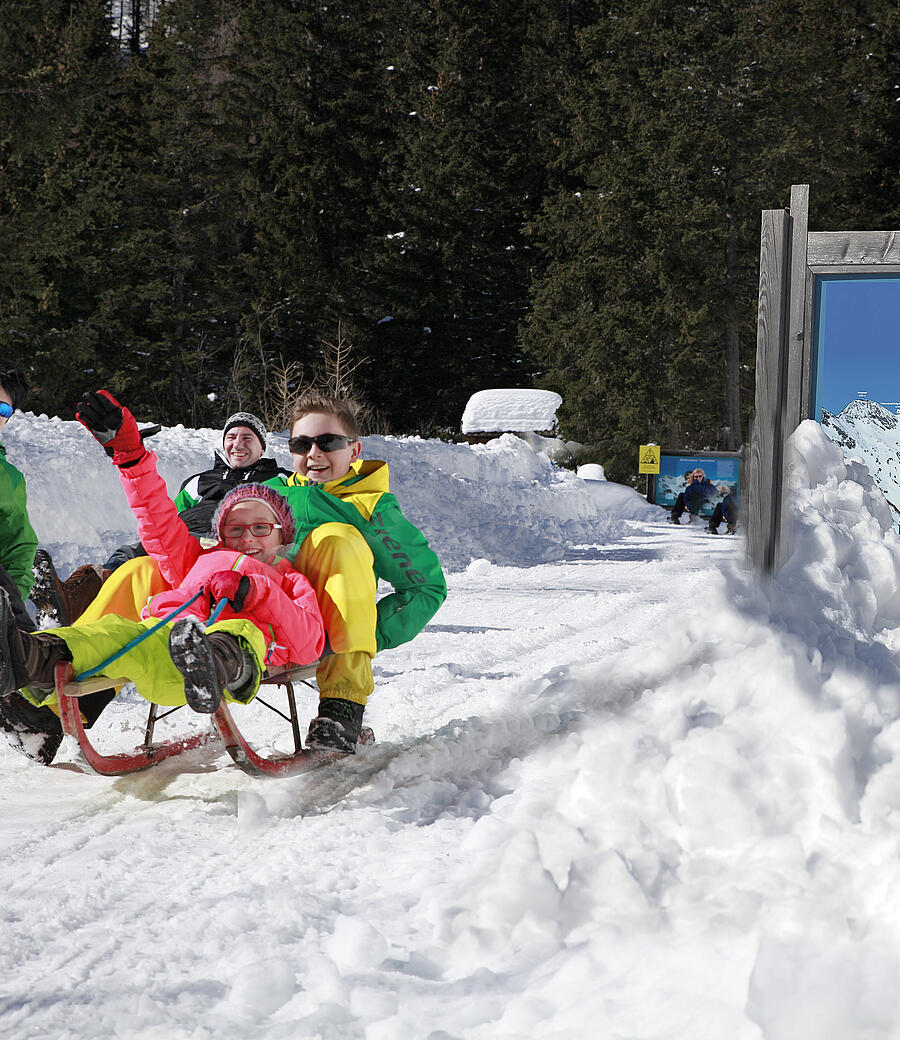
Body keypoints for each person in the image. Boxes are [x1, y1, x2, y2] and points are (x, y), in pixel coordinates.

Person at [0, 391, 325, 764]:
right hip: (166, 638)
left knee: (239, 631)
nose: (247, 538)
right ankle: (27, 658)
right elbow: (157, 519)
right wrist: (130, 456)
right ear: (219, 536)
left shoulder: (287, 580)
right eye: (234, 530)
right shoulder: (197, 558)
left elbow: (308, 642)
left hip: (234, 652)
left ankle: (210, 663)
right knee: (113, 634)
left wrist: (255, 591)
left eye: (260, 527)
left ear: (282, 536)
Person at [264, 391, 447, 753]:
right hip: (258, 625)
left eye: (327, 442)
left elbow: (426, 586)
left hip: (325, 637)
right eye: (301, 443)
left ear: (354, 450)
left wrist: (362, 632)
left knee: (338, 539)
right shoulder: (268, 494)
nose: (313, 454)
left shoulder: (371, 509)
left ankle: (341, 708)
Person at [30, 410, 290, 626]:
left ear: (262, 447)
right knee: (132, 552)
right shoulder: (199, 481)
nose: (238, 443)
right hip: (183, 535)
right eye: (232, 436)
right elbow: (167, 513)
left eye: (247, 438)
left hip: (228, 542)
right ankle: (72, 601)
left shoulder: (279, 480)